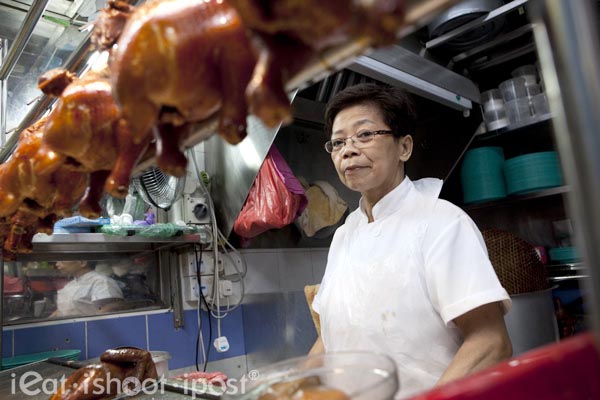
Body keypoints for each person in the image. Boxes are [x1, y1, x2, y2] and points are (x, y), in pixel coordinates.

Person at [310, 83, 513, 398]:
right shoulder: (344, 235)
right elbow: (333, 338)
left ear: (404, 147)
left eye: (364, 135)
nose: (347, 150)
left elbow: (490, 342)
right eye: (337, 142)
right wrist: (291, 387)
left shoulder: (442, 222)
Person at [52, 260, 124, 317]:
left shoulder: (101, 282)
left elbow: (109, 309)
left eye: (62, 260)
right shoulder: (70, 285)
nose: (57, 264)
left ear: (82, 263)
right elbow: (62, 310)